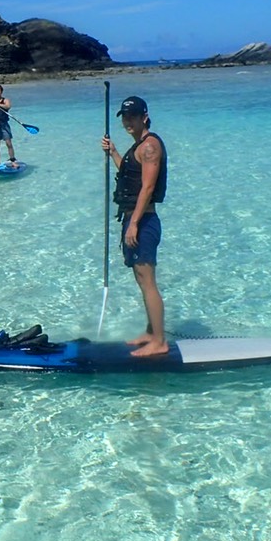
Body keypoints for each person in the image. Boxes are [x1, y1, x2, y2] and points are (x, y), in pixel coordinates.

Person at [101, 94, 168, 357]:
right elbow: (129, 177)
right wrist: (114, 153)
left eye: (133, 117)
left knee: (148, 280)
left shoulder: (150, 146)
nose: (128, 122)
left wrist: (135, 224)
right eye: (125, 117)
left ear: (145, 117)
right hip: (134, 218)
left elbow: (148, 187)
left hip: (144, 221)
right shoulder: (137, 146)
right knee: (141, 279)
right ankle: (151, 332)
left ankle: (159, 341)